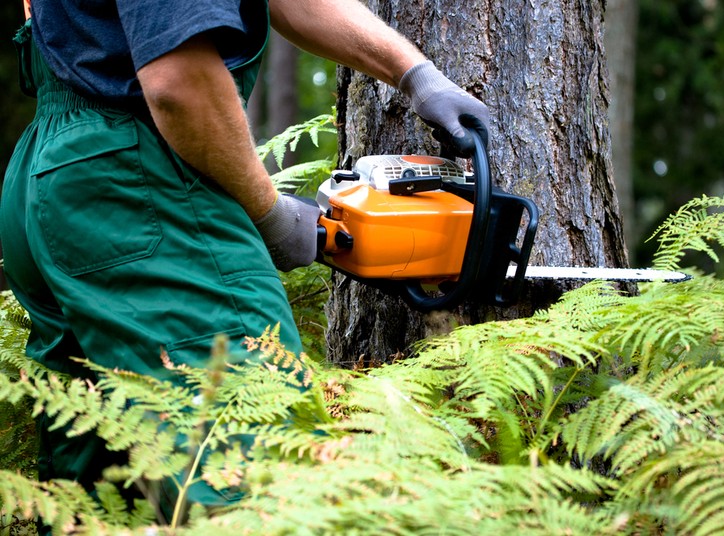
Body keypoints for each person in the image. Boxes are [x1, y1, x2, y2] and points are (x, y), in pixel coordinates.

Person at [2, 0, 489, 517]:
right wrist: (269, 213)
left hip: (61, 176)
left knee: (103, 504)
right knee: (261, 484)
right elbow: (177, 79)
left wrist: (414, 74)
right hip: (138, 182)